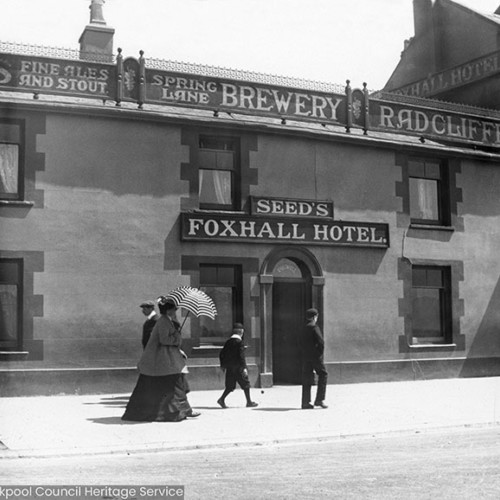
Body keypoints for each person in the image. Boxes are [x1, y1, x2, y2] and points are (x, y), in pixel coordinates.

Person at [122, 296, 200, 422]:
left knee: (176, 384)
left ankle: (186, 410)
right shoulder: (163, 321)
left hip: (166, 358)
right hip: (163, 359)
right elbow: (164, 340)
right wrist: (177, 337)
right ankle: (183, 411)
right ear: (169, 310)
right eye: (174, 309)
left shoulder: (166, 320)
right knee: (175, 384)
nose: (175, 312)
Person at [217, 323, 258, 409]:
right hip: (238, 368)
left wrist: (223, 365)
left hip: (230, 368)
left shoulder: (228, 342)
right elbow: (241, 356)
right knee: (246, 384)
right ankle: (249, 402)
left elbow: (222, 354)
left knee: (230, 386)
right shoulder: (240, 342)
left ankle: (221, 399)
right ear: (241, 332)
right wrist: (244, 368)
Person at [299, 308, 328, 409]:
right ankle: (319, 400)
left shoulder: (303, 327)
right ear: (315, 316)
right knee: (323, 374)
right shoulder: (314, 327)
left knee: (306, 378)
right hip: (315, 357)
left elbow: (299, 343)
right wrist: (319, 354)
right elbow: (321, 342)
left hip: (306, 357)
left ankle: (305, 402)